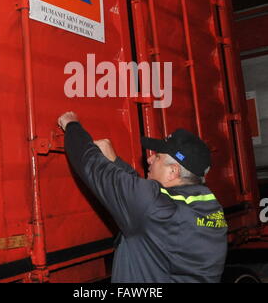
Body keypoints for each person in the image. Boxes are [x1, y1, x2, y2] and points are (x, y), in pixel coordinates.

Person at [58, 111, 228, 283]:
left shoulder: (156, 207)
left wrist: (72, 126)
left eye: (158, 157)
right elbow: (149, 204)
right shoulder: (210, 206)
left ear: (173, 171)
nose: (149, 159)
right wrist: (116, 161)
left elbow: (92, 165)